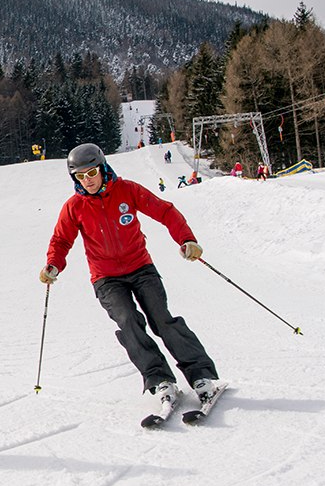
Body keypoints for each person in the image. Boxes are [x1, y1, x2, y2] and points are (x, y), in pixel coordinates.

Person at [40, 143, 222, 412]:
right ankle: (161, 380)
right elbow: (61, 239)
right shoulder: (74, 206)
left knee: (162, 319)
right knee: (128, 322)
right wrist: (53, 265)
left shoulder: (127, 190)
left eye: (91, 173)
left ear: (102, 168)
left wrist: (186, 239)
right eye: (80, 176)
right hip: (106, 278)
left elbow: (165, 211)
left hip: (140, 268)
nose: (87, 180)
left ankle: (201, 376)